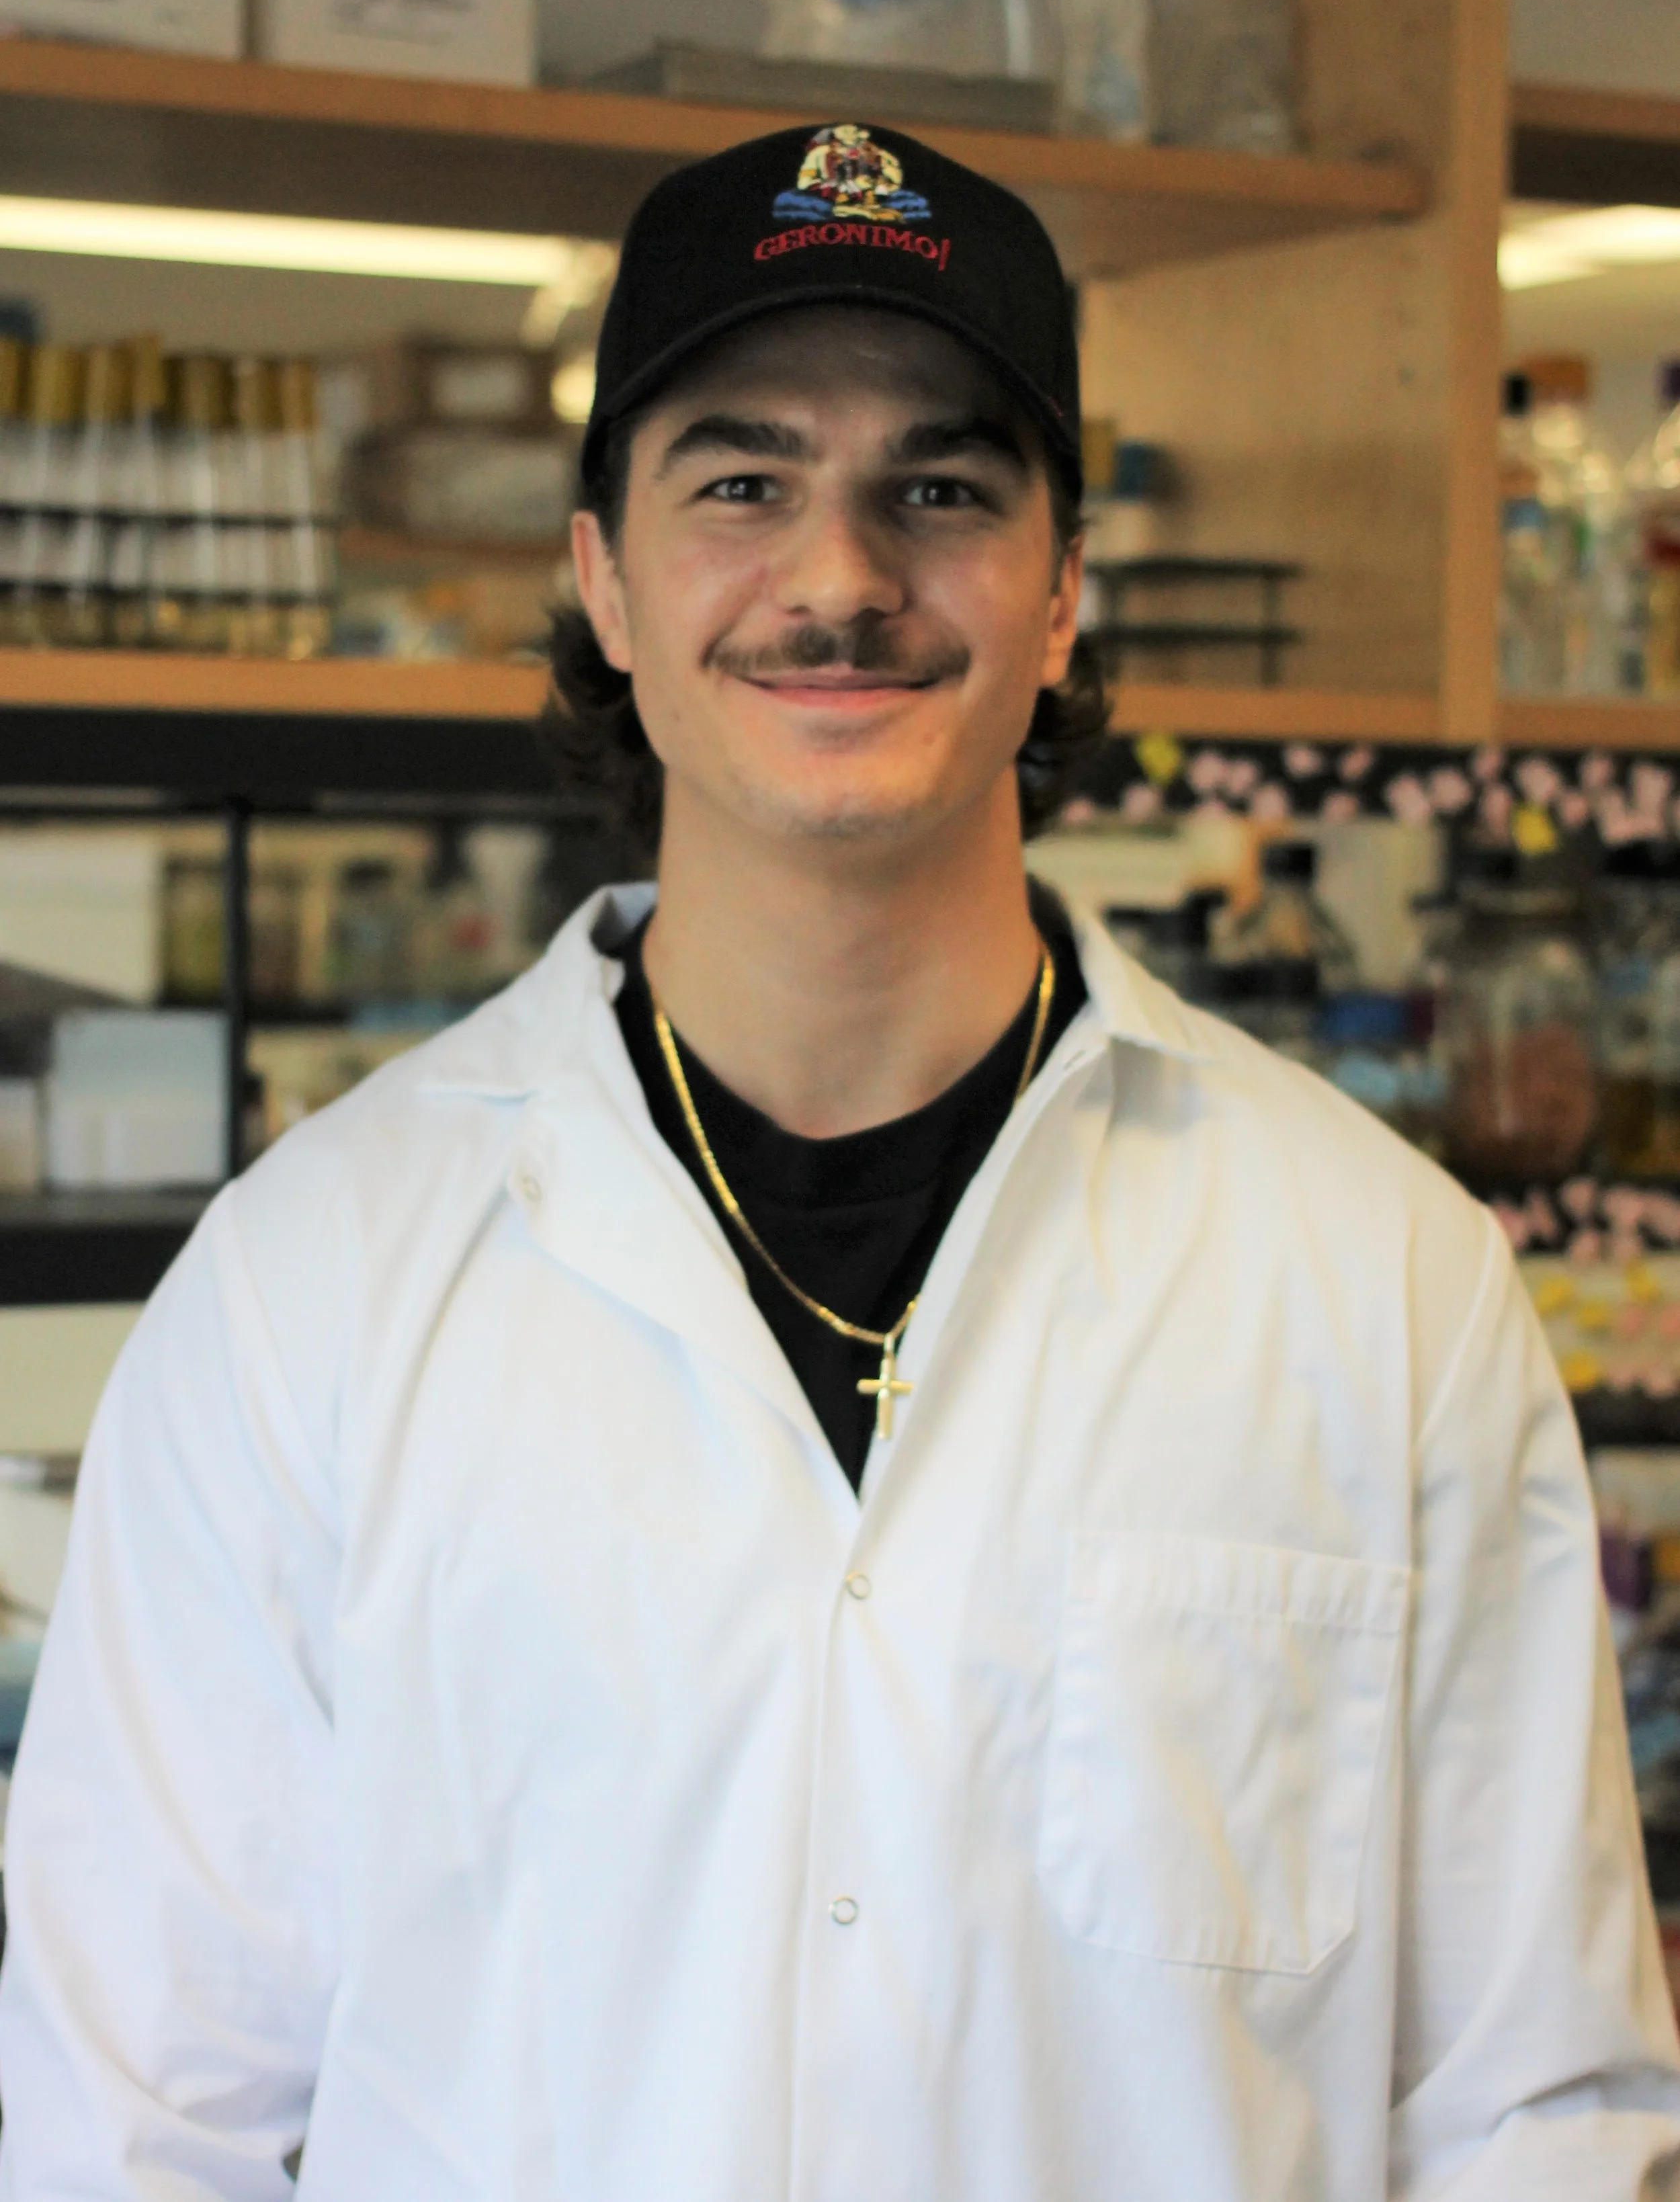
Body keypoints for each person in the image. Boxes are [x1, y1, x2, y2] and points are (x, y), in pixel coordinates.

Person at [1, 122, 1677, 2202]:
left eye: (939, 489)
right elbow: (138, 2122)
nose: (838, 578)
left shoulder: (1381, 1281)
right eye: (742, 481)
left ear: (1062, 592)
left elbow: (1534, 2108)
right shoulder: (308, 1287)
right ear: (604, 579)